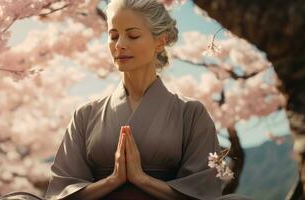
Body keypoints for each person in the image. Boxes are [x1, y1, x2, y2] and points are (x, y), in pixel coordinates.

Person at [44, 0, 239, 199]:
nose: (119, 45)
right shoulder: (85, 115)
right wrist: (112, 180)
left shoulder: (191, 113)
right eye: (113, 36)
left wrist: (142, 179)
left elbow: (203, 192)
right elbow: (62, 191)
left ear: (160, 42)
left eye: (133, 35)